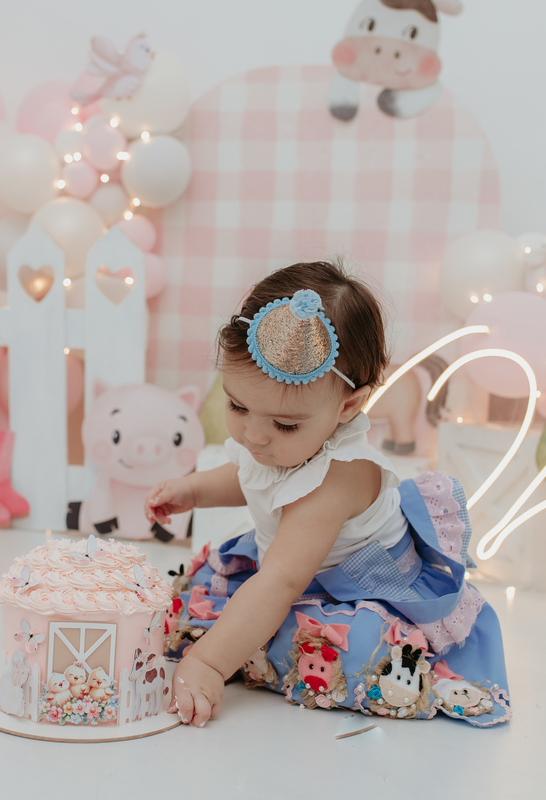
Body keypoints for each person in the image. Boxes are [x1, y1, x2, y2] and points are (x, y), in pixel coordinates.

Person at [145, 261, 510, 728]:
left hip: (358, 591)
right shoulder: (273, 444)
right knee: (216, 597)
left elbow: (280, 583)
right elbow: (250, 473)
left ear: (349, 405)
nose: (254, 435)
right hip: (292, 568)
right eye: (237, 405)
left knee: (351, 650)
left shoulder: (337, 478)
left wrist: (209, 663)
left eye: (284, 424)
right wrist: (193, 489)